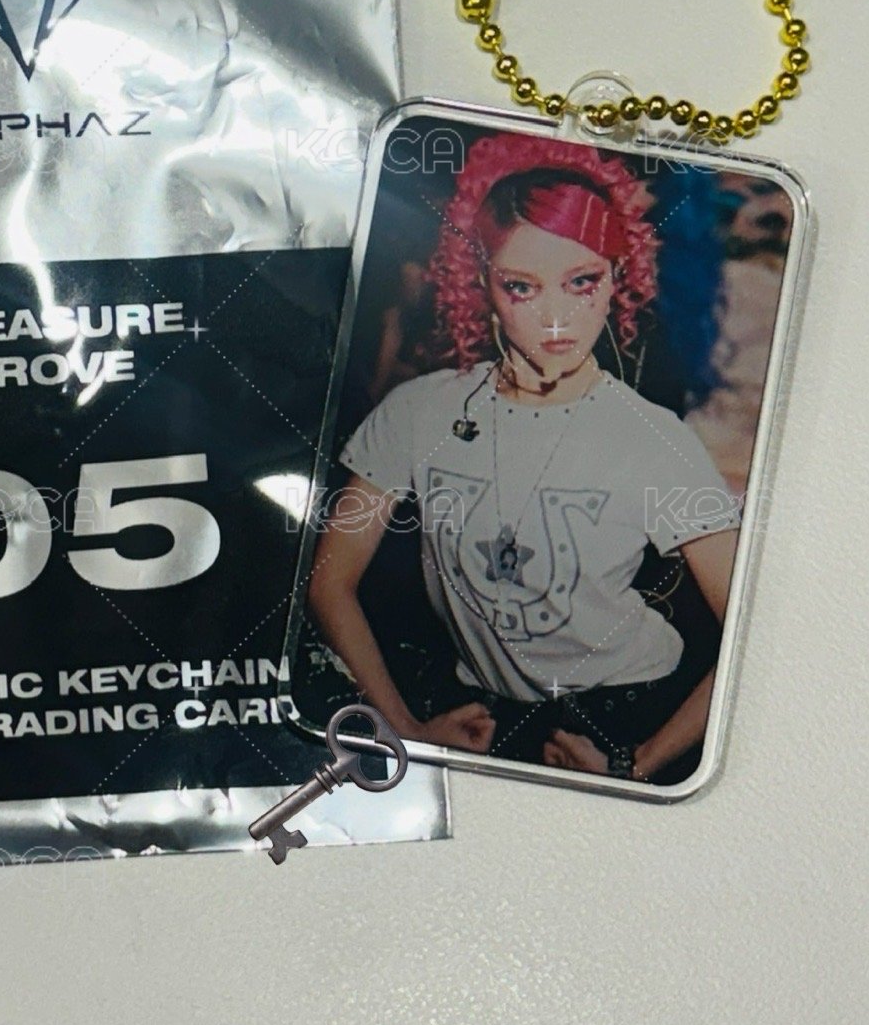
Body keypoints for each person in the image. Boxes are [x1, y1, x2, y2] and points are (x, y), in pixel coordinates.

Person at [308, 131, 743, 783]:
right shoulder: (417, 411)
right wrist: (402, 728)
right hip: (481, 715)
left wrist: (638, 763)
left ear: (616, 281)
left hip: (628, 706)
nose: (556, 318)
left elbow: (752, 629)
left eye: (581, 282)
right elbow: (329, 581)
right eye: (522, 287)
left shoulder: (652, 437)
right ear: (480, 284)